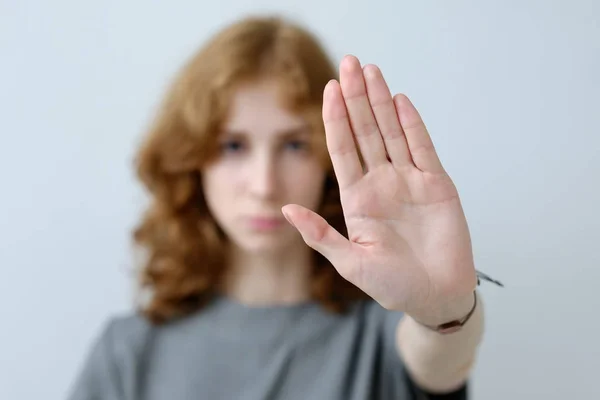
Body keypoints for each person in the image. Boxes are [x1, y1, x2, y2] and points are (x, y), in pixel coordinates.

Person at [67, 15, 493, 400]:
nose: (264, 185)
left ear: (328, 157)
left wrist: (444, 311)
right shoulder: (130, 352)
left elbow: (441, 357)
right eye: (233, 146)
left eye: (293, 145)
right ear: (191, 159)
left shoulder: (383, 330)